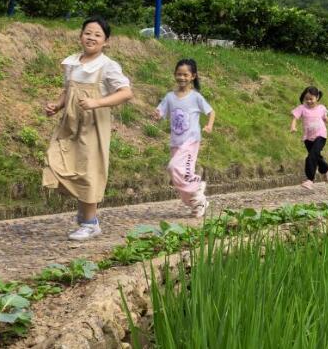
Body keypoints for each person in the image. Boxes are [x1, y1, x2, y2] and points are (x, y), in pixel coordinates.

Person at [42, 16, 133, 241]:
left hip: (93, 126)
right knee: (56, 160)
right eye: (87, 33)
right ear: (80, 35)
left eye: (97, 34)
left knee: (89, 169)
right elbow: (68, 90)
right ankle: (85, 214)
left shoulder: (107, 66)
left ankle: (90, 223)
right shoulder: (72, 62)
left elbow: (126, 92)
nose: (91, 37)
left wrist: (97, 102)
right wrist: (57, 105)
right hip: (70, 123)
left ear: (106, 41)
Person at [154, 59, 215, 219]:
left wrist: (209, 126)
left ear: (193, 76)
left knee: (173, 168)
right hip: (176, 142)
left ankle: (197, 187)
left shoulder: (196, 97)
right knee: (178, 177)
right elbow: (160, 112)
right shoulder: (169, 97)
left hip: (190, 141)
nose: (181, 77)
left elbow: (211, 112)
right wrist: (157, 115)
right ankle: (197, 203)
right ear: (175, 75)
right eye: (179, 74)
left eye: (185, 74)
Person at [290, 86, 328, 190]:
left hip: (321, 135)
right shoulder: (302, 108)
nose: (309, 101)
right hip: (308, 138)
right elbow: (295, 118)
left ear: (317, 97)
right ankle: (326, 168)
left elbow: (326, 119)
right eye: (306, 99)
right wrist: (293, 127)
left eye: (311, 99)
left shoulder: (321, 108)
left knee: (311, 157)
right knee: (316, 157)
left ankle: (309, 180)